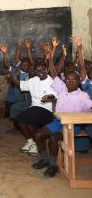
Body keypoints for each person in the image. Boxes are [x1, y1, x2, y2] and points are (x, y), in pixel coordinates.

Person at [33, 37, 92, 177]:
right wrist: (50, 58)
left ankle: (53, 166)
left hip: (72, 125)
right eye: (68, 80)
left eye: (74, 80)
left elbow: (90, 109)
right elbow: (53, 73)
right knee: (38, 135)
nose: (70, 82)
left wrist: (79, 48)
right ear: (65, 80)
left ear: (79, 82)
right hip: (58, 122)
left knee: (54, 138)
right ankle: (45, 159)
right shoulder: (62, 88)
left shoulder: (83, 96)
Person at [8, 50, 57, 156]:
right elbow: (20, 84)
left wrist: (47, 97)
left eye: (43, 70)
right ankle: (31, 142)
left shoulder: (51, 81)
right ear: (35, 71)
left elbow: (54, 96)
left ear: (47, 69)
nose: (41, 72)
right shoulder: (34, 80)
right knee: (19, 119)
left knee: (30, 120)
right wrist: (11, 77)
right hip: (34, 107)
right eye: (38, 70)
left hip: (47, 110)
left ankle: (38, 145)